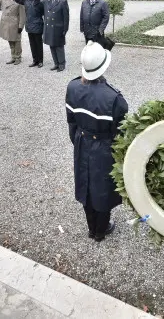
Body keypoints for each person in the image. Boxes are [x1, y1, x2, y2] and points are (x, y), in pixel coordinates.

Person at [65, 41, 128, 242]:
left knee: (84, 183)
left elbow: (71, 121)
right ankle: (100, 230)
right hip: (104, 147)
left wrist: (78, 142)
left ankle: (92, 228)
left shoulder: (72, 87)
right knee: (102, 188)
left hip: (82, 141)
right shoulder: (115, 98)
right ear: (104, 66)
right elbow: (120, 134)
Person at [15, 0, 44, 67]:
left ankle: (40, 61)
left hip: (37, 24)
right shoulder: (26, 0)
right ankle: (35, 60)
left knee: (38, 44)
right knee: (32, 44)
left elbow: (43, 12)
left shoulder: (40, 0)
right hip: (29, 25)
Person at [0, 0, 26, 65]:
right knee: (10, 40)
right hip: (6, 23)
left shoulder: (18, 0)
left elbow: (22, 15)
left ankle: (18, 57)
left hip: (14, 23)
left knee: (17, 41)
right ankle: (13, 56)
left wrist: (21, 26)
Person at [44, 0, 69, 71]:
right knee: (52, 46)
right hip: (49, 27)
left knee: (59, 47)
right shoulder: (47, 0)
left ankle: (62, 64)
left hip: (58, 27)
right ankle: (56, 63)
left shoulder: (62, 1)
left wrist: (65, 30)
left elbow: (66, 17)